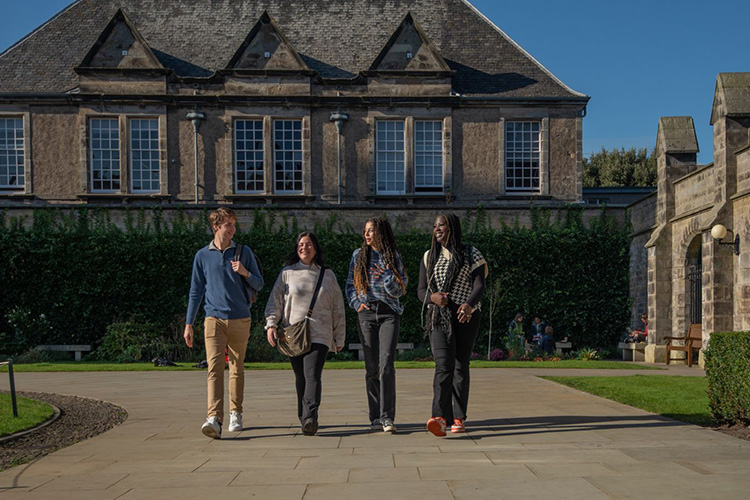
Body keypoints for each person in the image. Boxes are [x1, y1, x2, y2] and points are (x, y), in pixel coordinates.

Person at [184, 207, 264, 439]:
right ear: (216, 227)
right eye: (228, 225)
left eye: (234, 225)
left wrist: (245, 272)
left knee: (237, 369)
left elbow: (259, 284)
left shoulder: (243, 251)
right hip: (213, 319)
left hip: (240, 318)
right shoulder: (202, 256)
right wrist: (189, 324)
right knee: (214, 369)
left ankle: (235, 413)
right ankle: (214, 418)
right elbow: (195, 292)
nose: (232, 229)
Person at [265, 232, 346, 436]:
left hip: (320, 333)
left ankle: (310, 416)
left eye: (309, 244)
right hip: (294, 333)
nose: (304, 247)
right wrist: (271, 324)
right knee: (300, 376)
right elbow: (276, 301)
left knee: (312, 374)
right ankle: (304, 418)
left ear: (316, 248)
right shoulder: (287, 273)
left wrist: (339, 336)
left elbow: (338, 307)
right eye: (301, 244)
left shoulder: (327, 275)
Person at [418, 213, 488, 436]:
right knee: (443, 365)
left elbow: (479, 285)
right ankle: (439, 417)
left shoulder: (470, 253)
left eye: (442, 225)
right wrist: (433, 298)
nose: (437, 229)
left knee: (460, 365)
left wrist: (468, 305)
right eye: (435, 225)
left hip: (466, 315)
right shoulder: (430, 256)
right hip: (439, 317)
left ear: (453, 228)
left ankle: (458, 417)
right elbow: (421, 291)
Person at [345, 217, 408, 434]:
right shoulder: (358, 256)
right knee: (371, 368)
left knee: (386, 365)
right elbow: (350, 286)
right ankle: (374, 417)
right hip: (367, 314)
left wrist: (388, 276)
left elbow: (400, 290)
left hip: (389, 313)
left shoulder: (393, 256)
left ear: (381, 232)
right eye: (365, 231)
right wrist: (357, 304)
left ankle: (387, 417)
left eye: (371, 231)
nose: (367, 234)